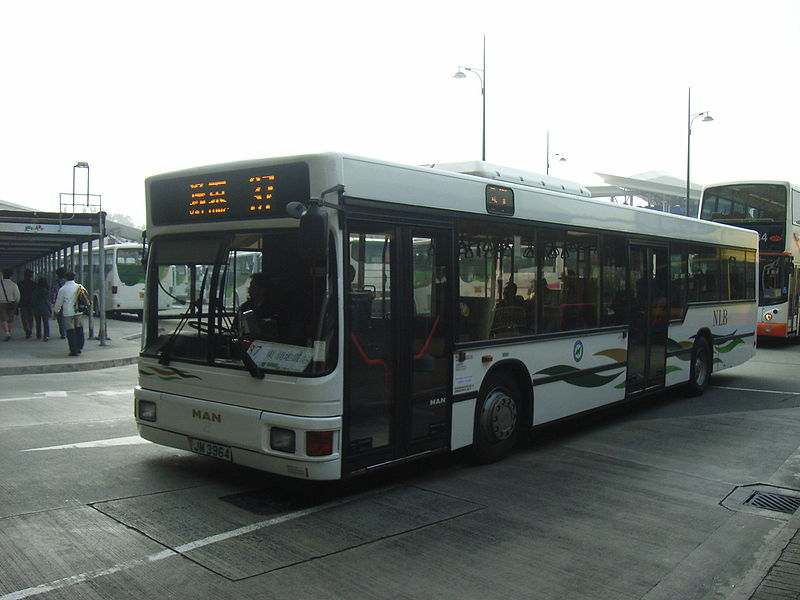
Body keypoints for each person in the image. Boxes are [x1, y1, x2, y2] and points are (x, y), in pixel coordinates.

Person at [53, 271, 85, 357]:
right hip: (78, 310)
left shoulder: (63, 289)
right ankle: (80, 346)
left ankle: (73, 349)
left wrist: (56, 310)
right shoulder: (80, 286)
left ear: (65, 278)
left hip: (68, 311)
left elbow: (59, 301)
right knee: (79, 327)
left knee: (70, 330)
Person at [0, 269, 20, 341]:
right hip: (11, 303)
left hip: (1, 303)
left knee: (3, 318)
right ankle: (9, 332)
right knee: (10, 319)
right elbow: (17, 296)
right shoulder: (14, 285)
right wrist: (16, 302)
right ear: (11, 276)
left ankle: (7, 332)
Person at [18, 268, 36, 339]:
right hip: (31, 302)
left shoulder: (20, 284)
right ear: (31, 275)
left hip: (23, 302)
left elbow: (18, 294)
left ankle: (27, 329)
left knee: (24, 317)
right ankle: (30, 329)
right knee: (30, 317)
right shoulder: (34, 284)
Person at [52, 267, 67, 339]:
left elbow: (55, 293)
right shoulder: (68, 282)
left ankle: (63, 333)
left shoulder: (56, 283)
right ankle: (67, 332)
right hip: (67, 302)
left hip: (60, 302)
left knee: (60, 318)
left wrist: (53, 303)